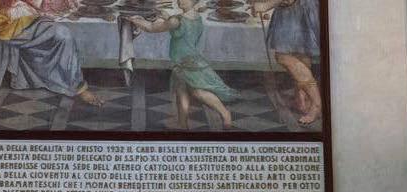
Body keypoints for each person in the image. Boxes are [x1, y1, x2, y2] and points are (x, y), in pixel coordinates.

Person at [0, 0, 101, 108]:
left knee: (63, 33)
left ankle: (73, 85)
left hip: (29, 13)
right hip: (4, 18)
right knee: (63, 34)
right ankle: (78, 88)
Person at [128, 0, 235, 130]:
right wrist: (167, 17)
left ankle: (225, 113)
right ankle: (183, 124)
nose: (180, 1)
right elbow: (181, 28)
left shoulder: (176, 20)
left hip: (187, 62)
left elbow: (151, 27)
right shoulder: (196, 17)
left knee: (198, 92)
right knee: (181, 90)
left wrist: (134, 20)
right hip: (185, 60)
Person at [251, 0, 321, 125]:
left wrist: (267, 5)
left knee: (283, 57)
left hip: (301, 8)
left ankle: (316, 103)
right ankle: (301, 99)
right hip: (290, 10)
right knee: (300, 54)